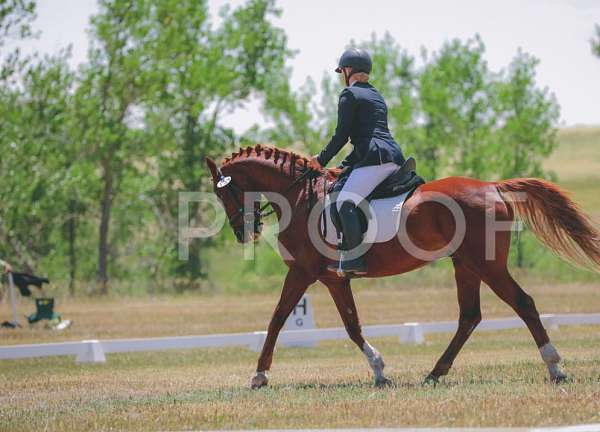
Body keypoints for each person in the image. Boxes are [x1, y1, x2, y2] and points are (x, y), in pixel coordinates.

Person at [307, 47, 405, 277]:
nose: (342, 75)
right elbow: (364, 136)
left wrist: (320, 160)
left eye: (342, 71)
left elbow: (342, 135)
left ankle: (355, 259)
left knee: (343, 201)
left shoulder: (349, 94)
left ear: (347, 70)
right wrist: (344, 166)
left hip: (375, 158)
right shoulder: (376, 95)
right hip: (392, 155)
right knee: (344, 191)